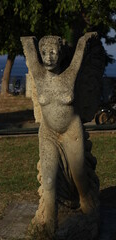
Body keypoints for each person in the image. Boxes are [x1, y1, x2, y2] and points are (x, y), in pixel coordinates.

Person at [21, 33, 102, 235]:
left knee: (80, 179)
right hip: (48, 133)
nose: (48, 57)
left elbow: (80, 54)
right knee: (48, 181)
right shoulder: (39, 75)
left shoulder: (69, 75)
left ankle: (89, 215)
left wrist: (84, 39)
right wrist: (28, 40)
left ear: (60, 54)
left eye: (53, 52)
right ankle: (48, 227)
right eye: (44, 53)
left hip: (71, 132)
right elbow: (29, 50)